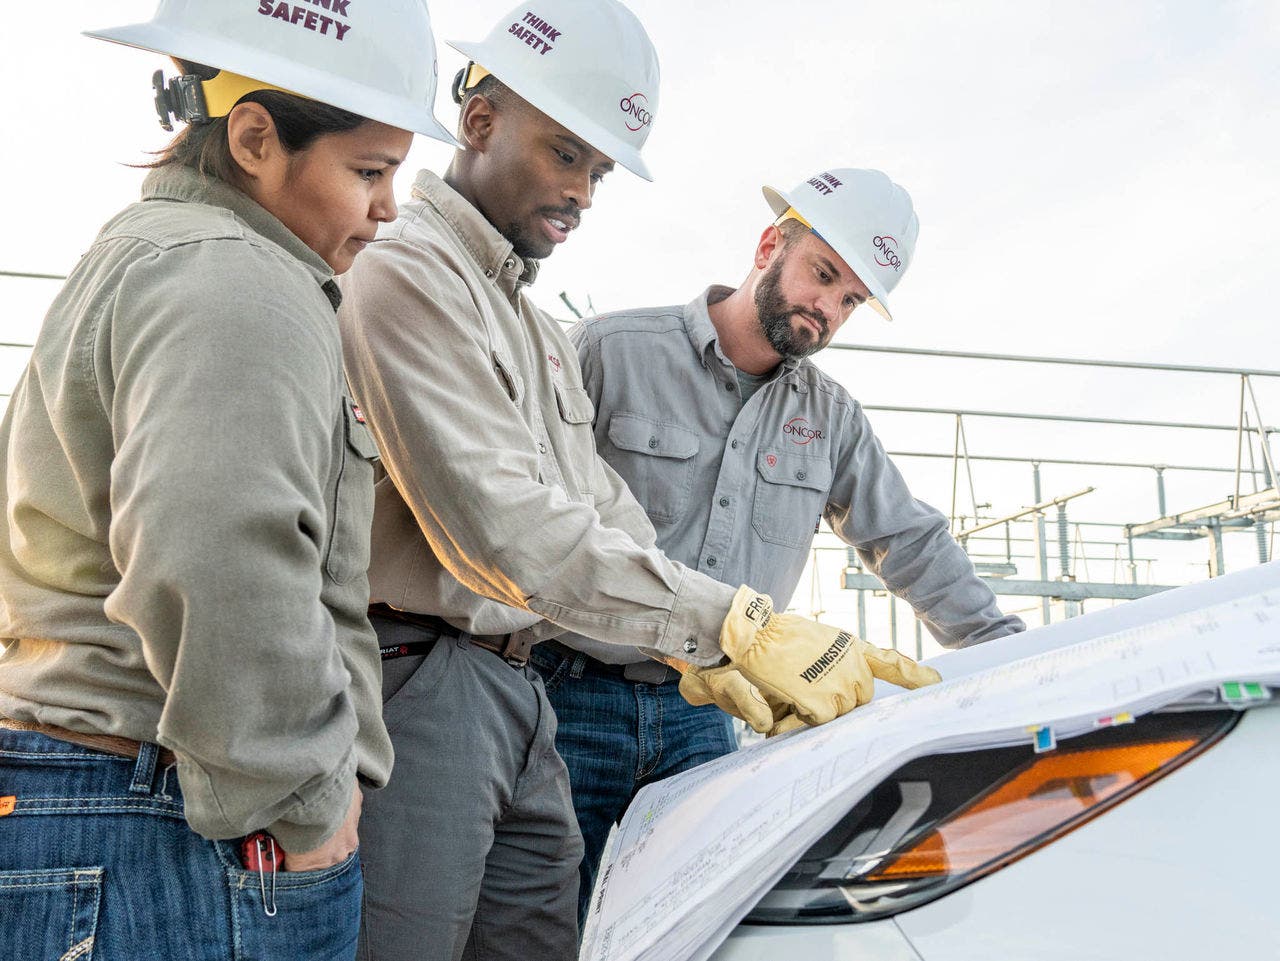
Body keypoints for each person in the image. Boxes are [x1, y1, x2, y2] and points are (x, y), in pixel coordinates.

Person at [336, 5, 942, 959]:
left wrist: (723, 652)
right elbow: (508, 530)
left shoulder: (531, 328)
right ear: (482, 120)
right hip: (443, 673)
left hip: (549, 692)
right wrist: (735, 625)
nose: (581, 193)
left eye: (599, 173)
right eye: (566, 153)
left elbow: (602, 512)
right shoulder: (409, 277)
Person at [0, 2, 455, 958]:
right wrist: (306, 805)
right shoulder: (238, 280)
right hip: (169, 825)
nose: (388, 207)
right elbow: (213, 553)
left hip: (92, 800)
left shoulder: (150, 255)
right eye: (368, 172)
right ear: (255, 138)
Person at [539, 167, 1028, 920]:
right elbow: (525, 511)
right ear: (771, 244)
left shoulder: (831, 419)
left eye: (851, 301)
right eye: (823, 275)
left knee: (690, 927)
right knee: (544, 927)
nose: (826, 309)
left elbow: (910, 540)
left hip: (705, 712)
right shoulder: (611, 352)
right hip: (570, 695)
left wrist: (1011, 659)